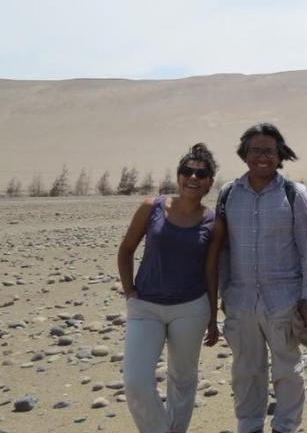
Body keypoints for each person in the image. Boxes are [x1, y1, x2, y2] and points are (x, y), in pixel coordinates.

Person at [208, 123, 307, 433]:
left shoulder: (293, 193)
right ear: (244, 155)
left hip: (284, 301)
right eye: (256, 150)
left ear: (279, 156)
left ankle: (285, 426)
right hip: (241, 300)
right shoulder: (229, 193)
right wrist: (224, 293)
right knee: (246, 370)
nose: (262, 157)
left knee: (288, 370)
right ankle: (249, 425)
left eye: (269, 151)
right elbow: (222, 250)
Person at [118, 143, 220, 433]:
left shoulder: (214, 222)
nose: (193, 177)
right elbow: (126, 250)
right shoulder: (152, 208)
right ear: (178, 176)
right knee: (136, 381)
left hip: (190, 308)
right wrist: (130, 291)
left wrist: (213, 316)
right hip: (146, 306)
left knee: (183, 379)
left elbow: (211, 271)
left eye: (201, 174)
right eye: (187, 171)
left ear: (210, 182)